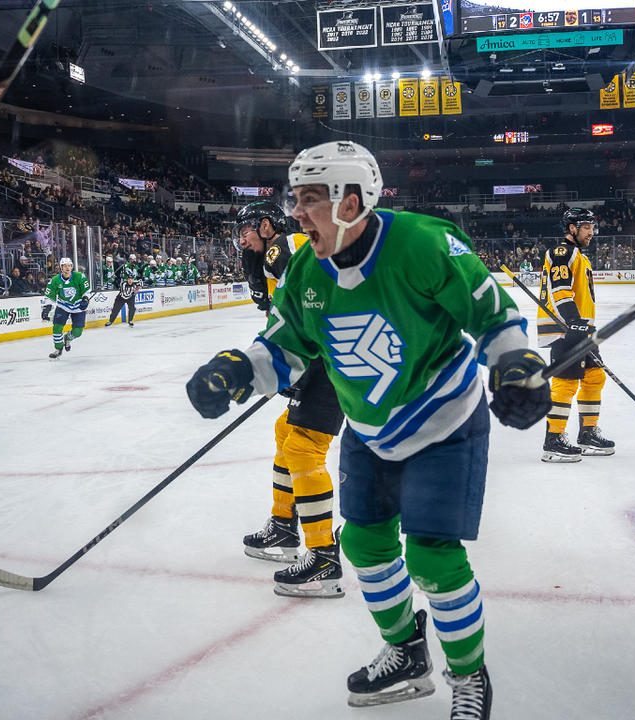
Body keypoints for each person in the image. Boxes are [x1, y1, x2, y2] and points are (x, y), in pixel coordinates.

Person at [185, 141, 551, 719]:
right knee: (363, 545)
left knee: (432, 557)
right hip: (370, 429)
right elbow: (286, 344)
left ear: (351, 202)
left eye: (309, 200)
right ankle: (407, 651)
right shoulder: (307, 267)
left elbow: (492, 313)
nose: (296, 213)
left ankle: (468, 676)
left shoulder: (423, 244)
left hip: (443, 421)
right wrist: (236, 370)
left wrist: (513, 362)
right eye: (296, 199)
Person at [232, 200, 346, 598]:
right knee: (287, 431)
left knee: (304, 446)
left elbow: (313, 305)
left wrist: (295, 364)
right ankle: (283, 527)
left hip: (330, 359)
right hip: (323, 357)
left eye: (246, 230)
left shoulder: (283, 248)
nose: (242, 239)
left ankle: (324, 559)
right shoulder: (277, 254)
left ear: (266, 226)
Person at [536, 207, 615, 462]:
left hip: (582, 331)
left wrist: (583, 327)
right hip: (565, 330)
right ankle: (553, 440)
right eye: (586, 227)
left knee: (594, 377)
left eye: (592, 227)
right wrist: (573, 323)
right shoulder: (562, 252)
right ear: (572, 228)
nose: (591, 232)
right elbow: (560, 289)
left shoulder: (580, 255)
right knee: (565, 382)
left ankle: (588, 432)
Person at [41, 258, 91, 360]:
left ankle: (67, 339)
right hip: (63, 305)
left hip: (78, 306)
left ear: (71, 267)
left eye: (69, 265)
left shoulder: (79, 276)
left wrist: (85, 299)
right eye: (65, 265)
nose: (67, 267)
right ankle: (58, 349)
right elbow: (50, 295)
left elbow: (87, 290)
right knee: (57, 327)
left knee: (78, 332)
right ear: (61, 267)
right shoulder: (55, 280)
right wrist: (46, 308)